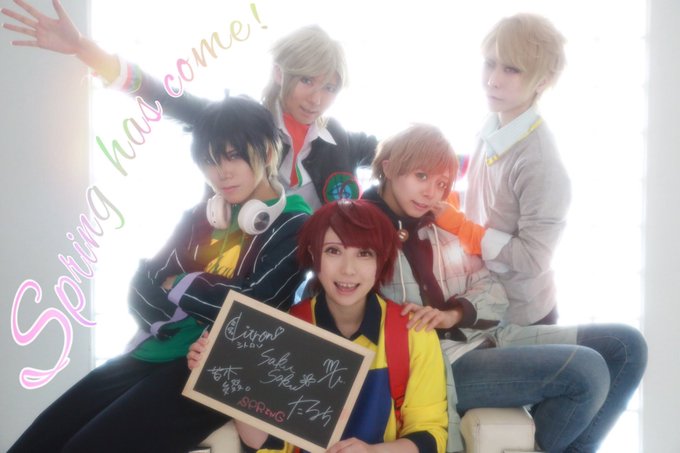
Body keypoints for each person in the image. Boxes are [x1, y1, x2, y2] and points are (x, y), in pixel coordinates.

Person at [8, 96, 312, 453]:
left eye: (234, 156)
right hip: (154, 350)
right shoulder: (203, 216)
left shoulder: (294, 223)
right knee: (38, 439)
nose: (222, 173)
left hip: (213, 368)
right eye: (210, 161)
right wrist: (192, 304)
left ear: (268, 152)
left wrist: (181, 284)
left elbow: (254, 306)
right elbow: (143, 284)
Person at [363, 123, 647, 452]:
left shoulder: (443, 226)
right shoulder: (360, 235)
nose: (431, 193)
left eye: (441, 184)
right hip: (444, 365)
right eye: (421, 176)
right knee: (586, 371)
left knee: (627, 347)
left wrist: (453, 314)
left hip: (491, 338)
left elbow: (493, 291)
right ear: (389, 168)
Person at [1, 0, 378, 210]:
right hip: (235, 273)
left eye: (329, 87)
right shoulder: (241, 122)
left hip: (316, 291)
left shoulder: (340, 140)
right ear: (280, 74)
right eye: (307, 81)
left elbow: (398, 159)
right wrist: (84, 49)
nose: (316, 98)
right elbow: (164, 96)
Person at [188, 199, 449, 453]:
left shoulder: (412, 333)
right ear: (314, 254)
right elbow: (267, 443)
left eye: (364, 253)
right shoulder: (285, 330)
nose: (348, 270)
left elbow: (429, 435)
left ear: (381, 261)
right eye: (333, 251)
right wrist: (220, 371)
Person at [435, 13, 571, 326]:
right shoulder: (493, 123)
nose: (493, 80)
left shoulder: (540, 163)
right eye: (490, 63)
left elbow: (533, 258)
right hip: (481, 301)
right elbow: (491, 200)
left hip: (520, 318)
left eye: (511, 69)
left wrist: (466, 230)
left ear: (543, 80)